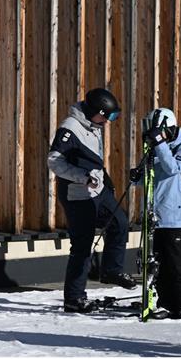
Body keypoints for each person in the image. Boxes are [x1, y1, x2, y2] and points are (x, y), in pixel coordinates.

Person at [47, 86, 135, 313]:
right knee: (83, 247)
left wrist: (105, 180)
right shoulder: (69, 128)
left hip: (98, 188)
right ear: (94, 111)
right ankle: (74, 299)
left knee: (120, 223)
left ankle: (111, 271)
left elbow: (92, 159)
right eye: (107, 117)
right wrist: (81, 177)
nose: (108, 122)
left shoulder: (94, 124)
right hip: (78, 194)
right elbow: (54, 161)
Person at [132, 108, 181, 319]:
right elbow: (147, 180)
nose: (152, 134)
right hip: (156, 217)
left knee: (177, 263)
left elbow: (172, 168)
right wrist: (136, 176)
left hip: (177, 217)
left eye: (157, 130)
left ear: (168, 127)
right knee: (159, 264)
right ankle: (165, 303)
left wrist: (159, 144)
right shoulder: (156, 148)